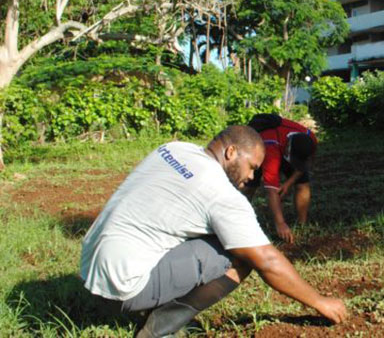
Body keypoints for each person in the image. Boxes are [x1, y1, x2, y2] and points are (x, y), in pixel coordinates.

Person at [80, 126, 347, 337]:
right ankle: (160, 329)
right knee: (241, 257)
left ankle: (156, 305)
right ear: (231, 152)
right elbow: (267, 259)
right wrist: (319, 301)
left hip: (90, 265)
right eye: (252, 166)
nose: (252, 177)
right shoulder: (221, 195)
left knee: (218, 235)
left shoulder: (174, 148)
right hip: (124, 287)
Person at [243, 114, 317, 244]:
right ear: (287, 148)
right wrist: (280, 223)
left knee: (303, 184)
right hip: (260, 147)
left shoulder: (310, 138)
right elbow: (272, 191)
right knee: (249, 187)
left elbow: (305, 164)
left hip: (282, 147)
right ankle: (240, 219)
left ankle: (302, 224)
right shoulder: (270, 149)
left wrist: (288, 183)